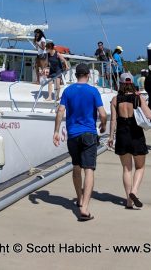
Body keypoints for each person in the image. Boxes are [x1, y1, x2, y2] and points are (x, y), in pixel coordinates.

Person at [53, 62, 107, 221]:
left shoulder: (68, 91)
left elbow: (60, 111)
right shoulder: (93, 91)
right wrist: (103, 126)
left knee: (76, 166)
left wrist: (56, 131)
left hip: (73, 134)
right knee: (89, 169)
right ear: (88, 75)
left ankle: (79, 198)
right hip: (89, 133)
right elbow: (103, 114)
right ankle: (85, 207)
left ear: (76, 75)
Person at [108, 72, 151, 209]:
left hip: (122, 135)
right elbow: (149, 115)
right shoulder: (138, 98)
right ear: (132, 83)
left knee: (126, 169)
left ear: (120, 84)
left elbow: (113, 120)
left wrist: (110, 136)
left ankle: (128, 200)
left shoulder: (115, 99)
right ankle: (134, 192)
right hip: (136, 135)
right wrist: (142, 101)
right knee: (140, 167)